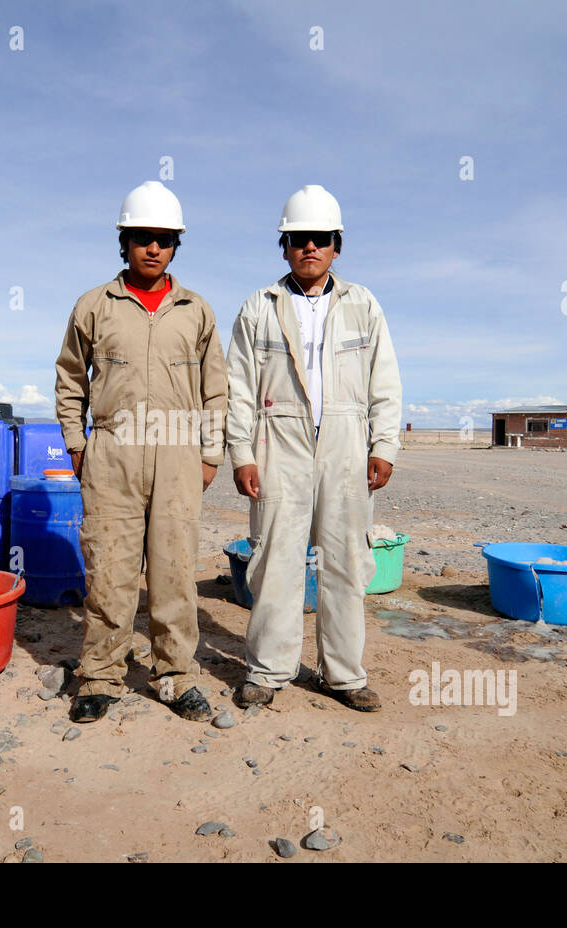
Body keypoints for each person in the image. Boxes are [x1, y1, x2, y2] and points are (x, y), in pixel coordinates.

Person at [54, 181, 228, 723]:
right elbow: (68, 379)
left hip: (178, 453)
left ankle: (174, 675)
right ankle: (100, 675)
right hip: (112, 454)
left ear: (176, 245)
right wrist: (79, 445)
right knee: (110, 569)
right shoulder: (94, 305)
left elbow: (216, 389)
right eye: (143, 238)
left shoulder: (195, 310)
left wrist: (210, 455)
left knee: (175, 573)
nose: (154, 249)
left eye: (164, 239)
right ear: (125, 242)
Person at [225, 185, 402, 712]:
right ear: (284, 246)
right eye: (298, 239)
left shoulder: (363, 305)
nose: (309, 248)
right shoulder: (259, 307)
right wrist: (242, 453)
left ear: (336, 245)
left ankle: (344, 675)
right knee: (276, 561)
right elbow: (237, 385)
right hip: (277, 443)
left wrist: (384, 445)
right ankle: (268, 669)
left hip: (347, 447)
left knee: (346, 563)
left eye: (320, 239)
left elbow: (385, 383)